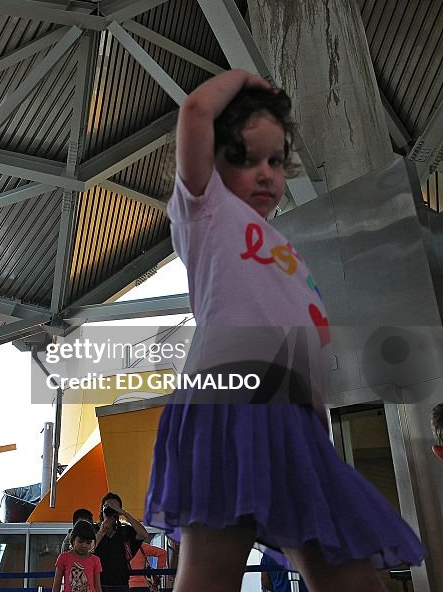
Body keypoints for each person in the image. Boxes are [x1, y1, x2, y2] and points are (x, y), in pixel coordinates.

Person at [145, 69, 426, 592]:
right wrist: (245, 79)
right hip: (227, 402)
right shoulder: (205, 212)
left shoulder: (286, 249)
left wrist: (312, 423)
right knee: (211, 571)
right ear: (215, 159)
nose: (267, 174)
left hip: (293, 421)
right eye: (247, 157)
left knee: (353, 575)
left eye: (276, 160)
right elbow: (195, 114)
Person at [94, 492, 147, 592]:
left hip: (120, 584)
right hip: (97, 584)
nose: (110, 510)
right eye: (107, 507)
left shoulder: (124, 531)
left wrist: (125, 514)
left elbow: (144, 534)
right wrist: (101, 532)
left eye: (114, 507)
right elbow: (88, 551)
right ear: (102, 510)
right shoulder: (94, 530)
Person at [53, 519, 103, 592]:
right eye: (80, 541)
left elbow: (98, 587)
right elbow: (56, 586)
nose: (84, 545)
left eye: (88, 543)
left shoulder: (95, 560)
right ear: (73, 540)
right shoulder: (63, 557)